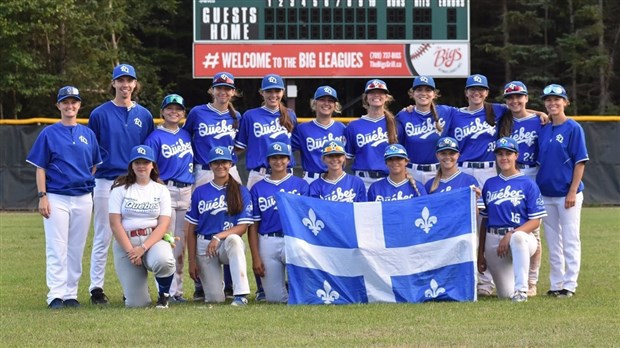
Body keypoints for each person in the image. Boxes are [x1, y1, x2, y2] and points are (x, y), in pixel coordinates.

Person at [26, 86, 102, 309]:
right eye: (66, 102)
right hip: (57, 196)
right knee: (57, 246)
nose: (70, 106)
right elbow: (40, 167)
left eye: (74, 102)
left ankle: (71, 294)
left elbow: (94, 165)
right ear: (58, 105)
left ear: (79, 105)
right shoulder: (49, 133)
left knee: (76, 248)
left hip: (82, 197)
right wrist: (43, 196)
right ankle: (56, 295)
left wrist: (83, 181)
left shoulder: (88, 134)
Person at [88, 63, 154, 304]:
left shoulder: (144, 115)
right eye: (121, 80)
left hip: (134, 182)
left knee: (134, 233)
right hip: (106, 180)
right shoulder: (99, 114)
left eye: (129, 80)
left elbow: (147, 152)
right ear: (113, 83)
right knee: (104, 234)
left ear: (135, 84)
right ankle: (96, 287)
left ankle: (131, 287)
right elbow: (91, 149)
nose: (125, 85)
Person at [478, 137, 547, 302]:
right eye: (500, 154)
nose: (504, 157)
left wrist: (511, 234)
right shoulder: (490, 183)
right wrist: (481, 253)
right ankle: (514, 291)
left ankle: (522, 291)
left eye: (508, 153)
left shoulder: (528, 184)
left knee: (517, 238)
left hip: (522, 237)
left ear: (516, 155)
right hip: (493, 239)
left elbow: (535, 221)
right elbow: (484, 221)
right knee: (505, 295)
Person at [536, 84, 589, 298]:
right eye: (548, 100)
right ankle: (556, 283)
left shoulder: (573, 128)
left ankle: (570, 285)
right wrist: (538, 113)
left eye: (557, 99)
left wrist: (572, 191)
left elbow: (580, 162)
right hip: (546, 193)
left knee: (570, 239)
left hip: (568, 194)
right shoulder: (544, 128)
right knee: (552, 240)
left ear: (565, 102)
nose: (552, 103)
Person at [108, 145, 175, 308]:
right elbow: (115, 224)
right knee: (137, 304)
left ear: (152, 165)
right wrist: (131, 251)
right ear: (131, 165)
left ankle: (163, 296)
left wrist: (143, 248)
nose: (141, 166)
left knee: (165, 261)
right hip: (127, 242)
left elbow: (163, 224)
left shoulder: (161, 189)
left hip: (152, 240)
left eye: (145, 162)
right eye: (137, 162)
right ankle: (131, 292)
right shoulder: (120, 190)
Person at [186, 146, 253, 306]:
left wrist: (218, 236)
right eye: (216, 163)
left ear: (230, 164)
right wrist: (191, 261)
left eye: (224, 162)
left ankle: (240, 294)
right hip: (205, 245)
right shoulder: (200, 191)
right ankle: (216, 285)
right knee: (215, 299)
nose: (220, 166)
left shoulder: (241, 190)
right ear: (210, 166)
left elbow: (242, 227)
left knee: (234, 240)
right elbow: (191, 230)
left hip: (225, 243)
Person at [144, 94, 193, 303]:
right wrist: (159, 188)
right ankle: (166, 291)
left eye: (179, 109)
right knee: (167, 243)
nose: (174, 112)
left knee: (180, 247)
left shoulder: (186, 135)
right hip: (166, 189)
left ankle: (177, 292)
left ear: (183, 113)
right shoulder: (154, 137)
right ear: (162, 112)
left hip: (187, 191)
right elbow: (149, 167)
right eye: (170, 108)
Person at [248, 142, 310, 303]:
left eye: (282, 157)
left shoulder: (300, 185)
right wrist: (255, 257)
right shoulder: (257, 188)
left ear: (288, 160)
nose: (278, 161)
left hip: (293, 239)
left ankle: (292, 286)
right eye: (274, 158)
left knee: (303, 294)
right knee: (275, 299)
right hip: (268, 240)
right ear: (268, 161)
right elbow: (253, 226)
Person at [499, 81, 544, 296]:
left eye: (519, 97)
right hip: (508, 172)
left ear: (526, 98)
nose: (515, 101)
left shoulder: (539, 121)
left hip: (531, 173)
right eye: (510, 98)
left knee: (534, 228)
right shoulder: (502, 118)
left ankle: (532, 280)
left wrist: (541, 113)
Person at [236, 73, 297, 189]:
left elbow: (293, 144)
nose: (273, 95)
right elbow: (239, 146)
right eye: (269, 91)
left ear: (283, 92)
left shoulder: (290, 115)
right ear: (262, 92)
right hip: (260, 174)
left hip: (286, 173)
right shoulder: (250, 116)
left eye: (277, 91)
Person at [184, 72, 242, 187]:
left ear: (233, 91)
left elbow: (240, 145)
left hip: (229, 170)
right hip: (204, 170)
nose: (223, 92)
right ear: (212, 90)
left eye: (227, 88)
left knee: (238, 203)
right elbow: (184, 138)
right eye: (219, 88)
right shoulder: (198, 112)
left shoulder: (237, 116)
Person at [396, 76, 456, 184]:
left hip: (439, 171)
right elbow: (397, 145)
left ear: (434, 94)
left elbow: (470, 112)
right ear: (412, 93)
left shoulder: (446, 112)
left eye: (428, 90)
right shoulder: (403, 115)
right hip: (411, 171)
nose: (423, 93)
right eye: (419, 90)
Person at [345, 79, 401, 191]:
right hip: (362, 181)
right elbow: (346, 158)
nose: (376, 95)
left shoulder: (396, 123)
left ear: (386, 97)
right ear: (366, 97)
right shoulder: (354, 126)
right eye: (372, 92)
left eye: (380, 92)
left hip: (389, 179)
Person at [291, 86, 347, 184]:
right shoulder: (302, 129)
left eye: (330, 101)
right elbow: (286, 149)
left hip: (337, 179)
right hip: (311, 179)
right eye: (322, 100)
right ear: (315, 103)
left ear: (335, 105)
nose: (326, 103)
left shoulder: (342, 128)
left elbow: (349, 156)